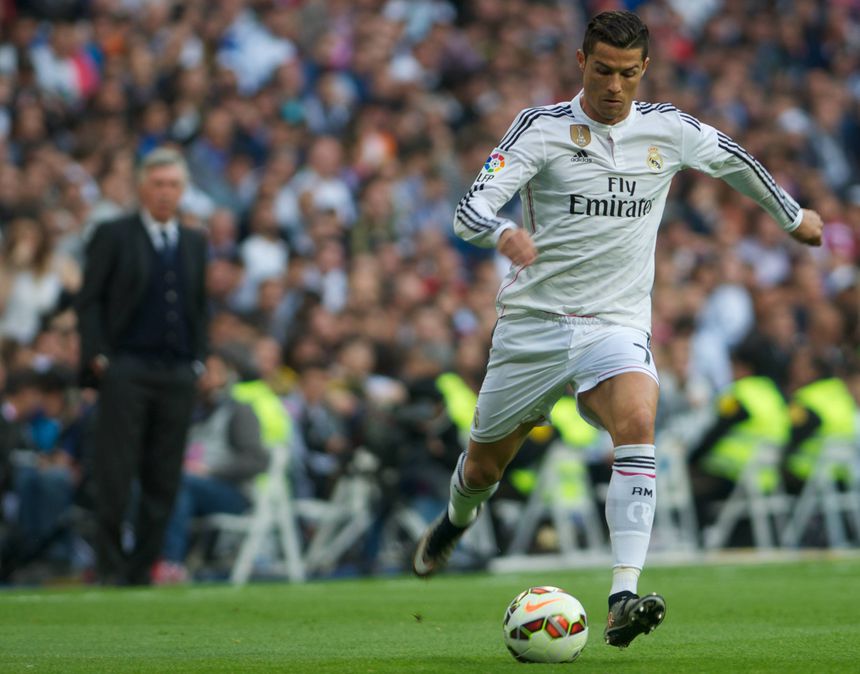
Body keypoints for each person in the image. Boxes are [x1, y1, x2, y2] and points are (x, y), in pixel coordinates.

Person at [412, 10, 823, 650]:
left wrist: (792, 216)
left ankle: (622, 596)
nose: (615, 86)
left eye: (628, 74)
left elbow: (736, 161)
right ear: (581, 62)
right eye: (603, 70)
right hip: (534, 327)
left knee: (638, 418)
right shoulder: (540, 130)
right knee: (484, 467)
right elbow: (470, 207)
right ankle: (455, 519)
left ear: (645, 71)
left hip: (616, 323)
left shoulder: (668, 130)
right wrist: (503, 233)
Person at [75, 147, 209, 585]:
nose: (166, 192)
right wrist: (98, 357)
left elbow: (199, 307)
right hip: (127, 368)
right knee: (116, 472)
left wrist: (199, 360)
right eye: (158, 184)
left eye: (173, 184)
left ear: (183, 190)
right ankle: (111, 567)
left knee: (164, 476)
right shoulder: (113, 234)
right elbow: (90, 299)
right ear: (141, 188)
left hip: (176, 372)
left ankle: (140, 569)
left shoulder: (194, 241)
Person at [154, 351, 268, 584]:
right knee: (159, 483)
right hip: (188, 488)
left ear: (228, 376)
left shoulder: (239, 410)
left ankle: (172, 562)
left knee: (179, 482)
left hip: (232, 492)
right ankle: (150, 559)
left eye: (214, 371)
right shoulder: (188, 413)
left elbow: (256, 459)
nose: (207, 377)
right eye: (203, 371)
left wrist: (210, 471)